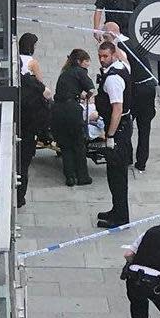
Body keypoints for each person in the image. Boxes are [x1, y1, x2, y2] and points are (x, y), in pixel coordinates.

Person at [102, 22, 155, 172]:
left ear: (111, 34)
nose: (103, 40)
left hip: (137, 89)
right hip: (149, 87)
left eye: (105, 36)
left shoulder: (119, 48)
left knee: (126, 122)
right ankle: (141, 163)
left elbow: (125, 69)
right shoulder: (132, 41)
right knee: (145, 128)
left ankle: (128, 158)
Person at [95, 41, 133, 228]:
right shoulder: (122, 65)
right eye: (100, 56)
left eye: (106, 56)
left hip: (118, 130)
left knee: (116, 175)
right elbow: (124, 57)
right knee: (115, 174)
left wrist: (110, 136)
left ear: (113, 56)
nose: (102, 60)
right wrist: (114, 40)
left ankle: (120, 217)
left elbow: (116, 109)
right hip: (124, 127)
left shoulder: (112, 79)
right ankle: (116, 210)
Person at [53, 49, 95, 187]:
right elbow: (91, 90)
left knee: (66, 145)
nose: (88, 64)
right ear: (79, 61)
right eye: (87, 61)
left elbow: (67, 91)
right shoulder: (80, 72)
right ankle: (83, 176)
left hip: (58, 110)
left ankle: (70, 177)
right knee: (78, 143)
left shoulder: (65, 73)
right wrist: (87, 98)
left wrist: (78, 95)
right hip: (72, 110)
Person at [18, 71, 52, 207]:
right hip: (29, 132)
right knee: (23, 167)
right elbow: (48, 94)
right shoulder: (32, 83)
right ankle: (20, 197)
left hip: (16, 127)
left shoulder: (14, 84)